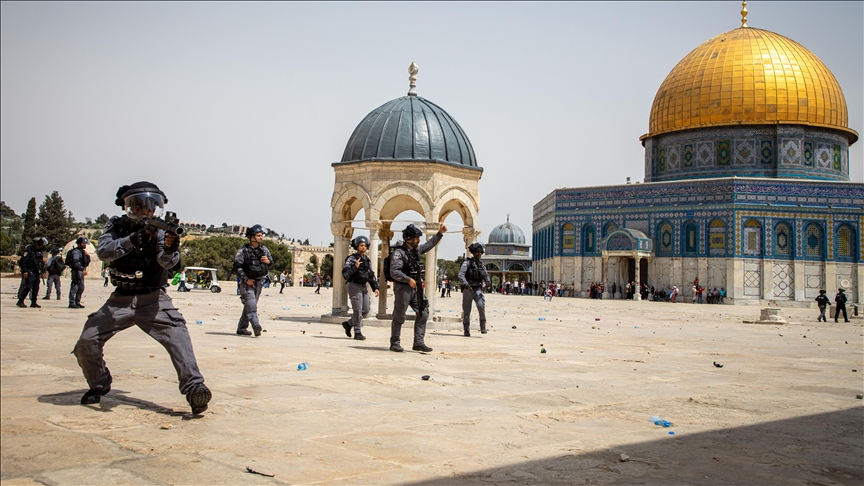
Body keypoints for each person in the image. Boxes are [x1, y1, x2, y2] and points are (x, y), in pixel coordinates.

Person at [73, 181, 210, 414]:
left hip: (153, 298)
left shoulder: (159, 230)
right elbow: (104, 252)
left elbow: (168, 264)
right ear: (130, 206)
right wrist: (132, 240)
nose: (146, 211)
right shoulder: (116, 226)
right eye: (140, 205)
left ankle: (195, 388)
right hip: (120, 299)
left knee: (178, 337)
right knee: (87, 342)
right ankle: (99, 384)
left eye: (150, 206)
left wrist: (169, 248)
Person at [388, 223, 445, 352]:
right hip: (403, 288)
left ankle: (418, 342)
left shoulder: (416, 251)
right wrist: (408, 280)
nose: (418, 241)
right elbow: (394, 272)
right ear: (409, 238)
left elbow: (429, 244)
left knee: (423, 312)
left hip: (416, 288)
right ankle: (395, 342)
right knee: (399, 316)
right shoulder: (399, 253)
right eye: (416, 238)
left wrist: (440, 233)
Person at [233, 224, 274, 337]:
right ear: (252, 237)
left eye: (261, 235)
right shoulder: (244, 250)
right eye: (258, 235)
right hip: (247, 283)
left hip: (258, 282)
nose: (261, 237)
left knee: (250, 305)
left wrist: (268, 262)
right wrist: (246, 279)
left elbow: (271, 264)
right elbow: (237, 266)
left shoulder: (264, 250)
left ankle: (242, 328)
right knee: (251, 304)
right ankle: (256, 325)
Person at [341, 235, 379, 340]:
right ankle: (357, 332)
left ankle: (348, 324)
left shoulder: (367, 260)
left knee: (365, 309)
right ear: (357, 246)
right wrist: (355, 267)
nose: (363, 247)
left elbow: (371, 275)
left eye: (365, 245)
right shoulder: (351, 259)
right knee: (357, 310)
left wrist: (375, 287)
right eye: (361, 245)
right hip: (354, 285)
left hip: (363, 286)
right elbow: (345, 274)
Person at [458, 242, 491, 336]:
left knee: (481, 306)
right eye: (477, 252)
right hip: (468, 289)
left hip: (477, 289)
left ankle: (483, 326)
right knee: (467, 311)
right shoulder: (467, 263)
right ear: (473, 252)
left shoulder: (481, 264)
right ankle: (466, 329)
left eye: (481, 252)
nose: (479, 253)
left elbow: (486, 275)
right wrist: (466, 284)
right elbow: (461, 275)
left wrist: (488, 282)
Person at [17, 237, 48, 308]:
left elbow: (41, 262)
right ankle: (20, 301)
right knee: (28, 286)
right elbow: (23, 262)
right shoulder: (28, 251)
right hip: (29, 270)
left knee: (36, 287)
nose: (40, 246)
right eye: (39, 244)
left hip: (36, 271)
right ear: (35, 244)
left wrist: (43, 271)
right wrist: (25, 271)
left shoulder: (39, 252)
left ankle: (34, 302)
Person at [67, 237, 91, 309]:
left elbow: (86, 262)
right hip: (77, 271)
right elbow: (75, 262)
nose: (85, 245)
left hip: (80, 271)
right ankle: (72, 302)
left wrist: (87, 256)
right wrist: (81, 269)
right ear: (79, 244)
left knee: (81, 287)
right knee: (75, 287)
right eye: (83, 243)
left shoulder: (82, 252)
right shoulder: (76, 252)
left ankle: (77, 302)